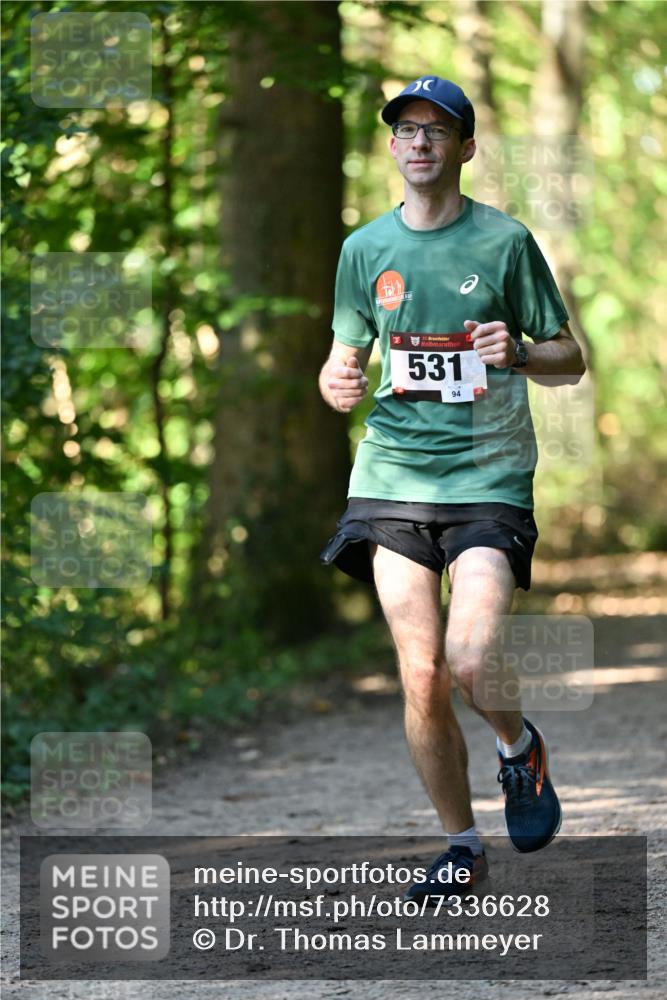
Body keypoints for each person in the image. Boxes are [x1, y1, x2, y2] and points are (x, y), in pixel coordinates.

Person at [318, 76, 586, 903]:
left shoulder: (504, 242)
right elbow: (346, 355)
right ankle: (459, 845)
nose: (421, 142)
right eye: (407, 130)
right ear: (393, 147)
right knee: (422, 672)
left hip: (488, 474)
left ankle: (517, 746)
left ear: (465, 148)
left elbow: (569, 358)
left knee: (469, 658)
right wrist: (335, 376)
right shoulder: (363, 249)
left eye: (439, 130)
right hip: (392, 473)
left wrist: (518, 352)